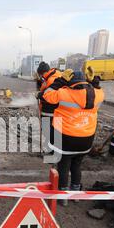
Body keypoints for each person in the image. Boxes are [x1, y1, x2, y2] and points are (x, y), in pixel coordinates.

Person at [39, 70, 104, 206]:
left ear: (69, 82)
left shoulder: (63, 93)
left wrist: (60, 81)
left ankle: (63, 196)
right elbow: (97, 89)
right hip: (86, 140)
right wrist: (93, 82)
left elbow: (46, 95)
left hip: (66, 139)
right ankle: (76, 194)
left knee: (63, 166)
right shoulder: (98, 94)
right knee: (76, 166)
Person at [36, 62, 64, 154]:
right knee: (54, 130)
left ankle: (51, 151)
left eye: (41, 75)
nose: (41, 77)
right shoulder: (55, 76)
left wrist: (40, 95)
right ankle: (53, 149)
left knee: (48, 130)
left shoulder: (51, 80)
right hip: (56, 110)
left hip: (49, 110)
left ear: (43, 72)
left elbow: (50, 97)